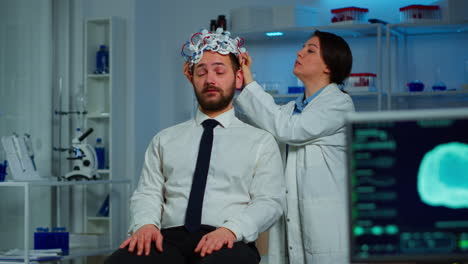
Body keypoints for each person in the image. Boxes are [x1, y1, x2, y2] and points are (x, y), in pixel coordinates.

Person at [105, 28, 285, 264]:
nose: (210, 80)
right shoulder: (165, 139)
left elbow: (269, 202)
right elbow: (148, 192)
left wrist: (231, 230)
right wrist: (146, 224)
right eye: (201, 72)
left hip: (229, 238)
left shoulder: (260, 141)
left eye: (220, 71)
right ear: (191, 77)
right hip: (168, 240)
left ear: (238, 78)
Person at [236, 30, 355, 264]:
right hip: (292, 226)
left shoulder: (339, 104)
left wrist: (250, 83)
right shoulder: (291, 110)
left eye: (310, 50)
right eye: (303, 48)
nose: (300, 52)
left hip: (328, 229)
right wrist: (231, 82)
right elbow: (260, 121)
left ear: (329, 66)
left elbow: (289, 130)